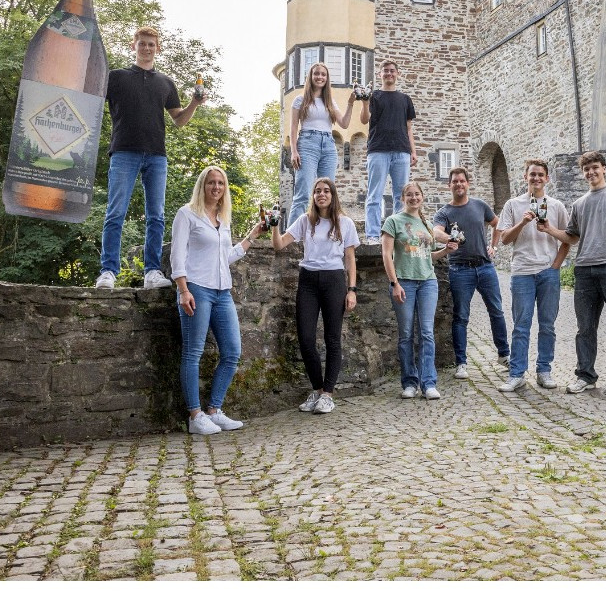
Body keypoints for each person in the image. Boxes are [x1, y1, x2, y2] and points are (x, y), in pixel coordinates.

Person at [96, 26, 204, 289]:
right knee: (115, 213)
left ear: (158, 48)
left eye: (151, 45)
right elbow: (91, 99)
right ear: (133, 46)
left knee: (156, 216)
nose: (146, 48)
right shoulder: (116, 77)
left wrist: (194, 104)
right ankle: (108, 272)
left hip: (157, 155)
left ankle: (152, 272)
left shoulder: (165, 83)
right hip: (123, 152)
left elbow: (179, 120)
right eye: (142, 44)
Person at [170, 166, 262, 435]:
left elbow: (226, 257)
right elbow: (177, 255)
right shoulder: (187, 214)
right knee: (193, 352)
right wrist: (183, 290)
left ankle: (214, 410)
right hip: (196, 289)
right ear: (203, 185)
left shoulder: (223, 218)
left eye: (221, 183)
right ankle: (195, 415)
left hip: (222, 292)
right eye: (211, 182)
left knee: (232, 352)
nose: (216, 187)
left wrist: (252, 236)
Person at [541, 151, 606, 394]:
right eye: (587, 169)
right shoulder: (579, 204)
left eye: (595, 167)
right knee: (585, 328)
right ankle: (585, 375)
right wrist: (550, 229)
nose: (591, 172)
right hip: (584, 271)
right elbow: (572, 237)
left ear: (604, 168)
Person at [271, 177, 360, 414]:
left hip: (333, 281)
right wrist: (273, 224)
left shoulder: (345, 222)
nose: (321, 194)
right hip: (308, 280)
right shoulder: (304, 221)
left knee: (332, 339)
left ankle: (328, 395)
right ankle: (318, 390)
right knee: (306, 338)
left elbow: (350, 259)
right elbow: (279, 245)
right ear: (313, 196)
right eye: (317, 191)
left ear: (333, 195)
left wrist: (351, 290)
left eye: (326, 191)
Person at [496, 160, 571, 391]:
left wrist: (555, 265)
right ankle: (517, 374)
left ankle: (544, 370)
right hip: (522, 273)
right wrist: (523, 222)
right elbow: (504, 239)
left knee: (547, 325)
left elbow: (569, 239)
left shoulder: (556, 206)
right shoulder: (513, 204)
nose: (536, 178)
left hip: (548, 272)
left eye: (540, 175)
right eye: (532, 175)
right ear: (525, 177)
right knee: (521, 325)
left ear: (547, 178)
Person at [432, 168, 510, 379]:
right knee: (461, 317)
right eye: (454, 181)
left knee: (496, 311)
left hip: (485, 267)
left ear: (468, 183)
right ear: (449, 185)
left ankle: (504, 355)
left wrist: (493, 246)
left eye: (462, 181)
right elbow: (436, 232)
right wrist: (449, 238)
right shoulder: (444, 212)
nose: (458, 184)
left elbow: (498, 224)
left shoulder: (480, 205)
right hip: (460, 269)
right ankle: (461, 363)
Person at [382, 181, 452, 400]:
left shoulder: (427, 224)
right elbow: (386, 255)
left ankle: (428, 382)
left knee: (427, 333)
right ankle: (410, 382)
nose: (414, 198)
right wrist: (394, 283)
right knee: (405, 334)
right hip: (404, 282)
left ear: (422, 197)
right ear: (403, 198)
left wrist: (445, 250)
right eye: (409, 195)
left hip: (427, 282)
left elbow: (428, 256)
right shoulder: (393, 221)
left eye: (417, 194)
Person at [288, 62, 358, 226]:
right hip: (307, 143)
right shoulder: (300, 100)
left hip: (328, 145)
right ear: (310, 77)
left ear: (327, 79)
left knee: (327, 193)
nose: (320, 77)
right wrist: (293, 151)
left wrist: (350, 103)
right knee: (304, 193)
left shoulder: (330, 102)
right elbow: (293, 128)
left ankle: (323, 233)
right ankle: (290, 239)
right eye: (316, 74)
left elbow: (344, 124)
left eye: (323, 75)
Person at [359, 59, 418, 245]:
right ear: (380, 74)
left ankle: (398, 234)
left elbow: (409, 128)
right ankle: (373, 235)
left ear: (398, 74)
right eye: (385, 71)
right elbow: (363, 120)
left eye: (392, 70)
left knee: (401, 196)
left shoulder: (405, 99)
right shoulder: (374, 97)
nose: (389, 73)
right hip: (378, 150)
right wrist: (365, 102)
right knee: (374, 194)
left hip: (402, 151)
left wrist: (413, 151)